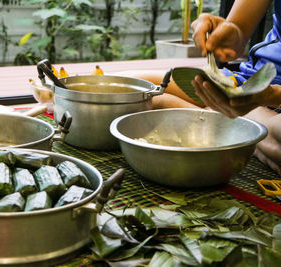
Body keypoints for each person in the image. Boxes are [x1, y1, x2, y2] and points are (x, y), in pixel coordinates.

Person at [116, 0, 281, 175]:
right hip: (254, 80)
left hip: (272, 103)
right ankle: (235, 126)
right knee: (125, 86)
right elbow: (238, 27)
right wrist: (231, 32)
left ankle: (229, 119)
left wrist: (272, 96)